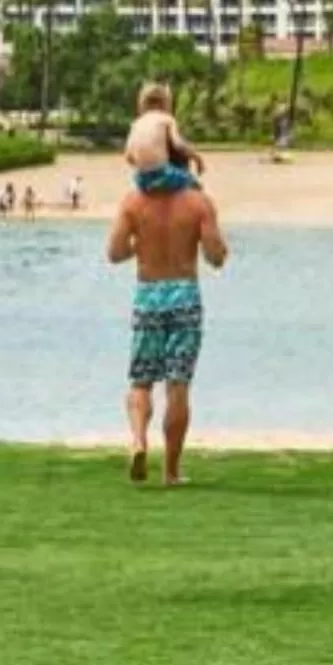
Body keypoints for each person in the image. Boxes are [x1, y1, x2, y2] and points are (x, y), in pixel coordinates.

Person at [105, 175, 228, 487]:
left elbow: (115, 252)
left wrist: (141, 245)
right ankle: (171, 471)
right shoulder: (198, 203)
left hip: (149, 293)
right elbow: (216, 256)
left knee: (141, 380)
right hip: (184, 294)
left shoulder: (133, 202)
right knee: (178, 385)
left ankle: (138, 441)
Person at [125, 83, 205, 194]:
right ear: (165, 104)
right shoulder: (167, 119)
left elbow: (129, 157)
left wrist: (144, 165)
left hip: (141, 179)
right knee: (195, 186)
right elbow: (178, 145)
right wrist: (197, 158)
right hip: (162, 174)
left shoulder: (136, 124)